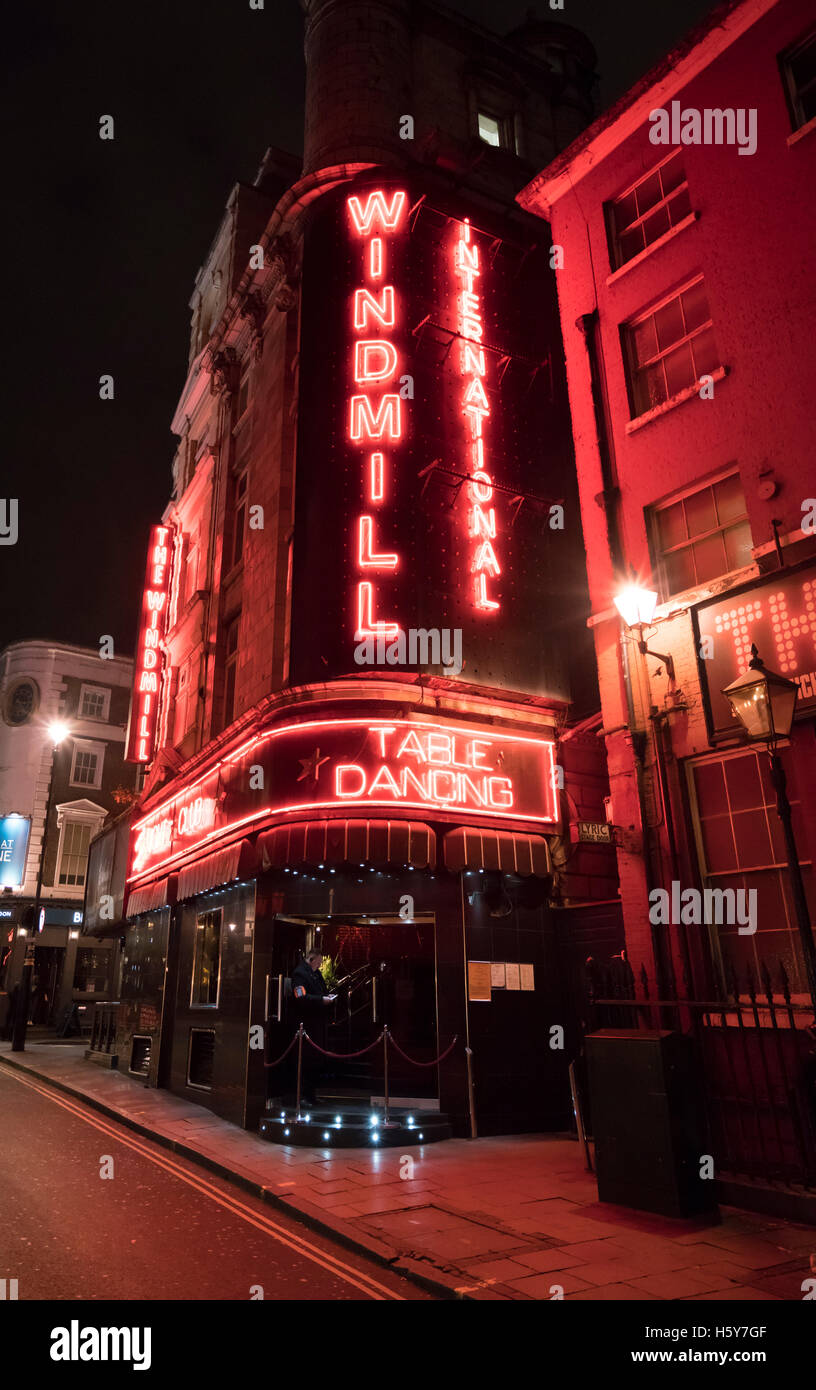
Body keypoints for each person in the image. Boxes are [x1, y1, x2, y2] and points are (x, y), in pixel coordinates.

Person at [291, 951, 334, 1105]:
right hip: (307, 1023)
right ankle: (303, 1096)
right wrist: (321, 1000)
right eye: (319, 961)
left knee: (316, 1060)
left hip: (317, 1023)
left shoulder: (315, 973)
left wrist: (327, 997)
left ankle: (311, 1094)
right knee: (306, 1060)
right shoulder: (300, 974)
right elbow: (300, 996)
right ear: (311, 959)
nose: (320, 964)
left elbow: (322, 989)